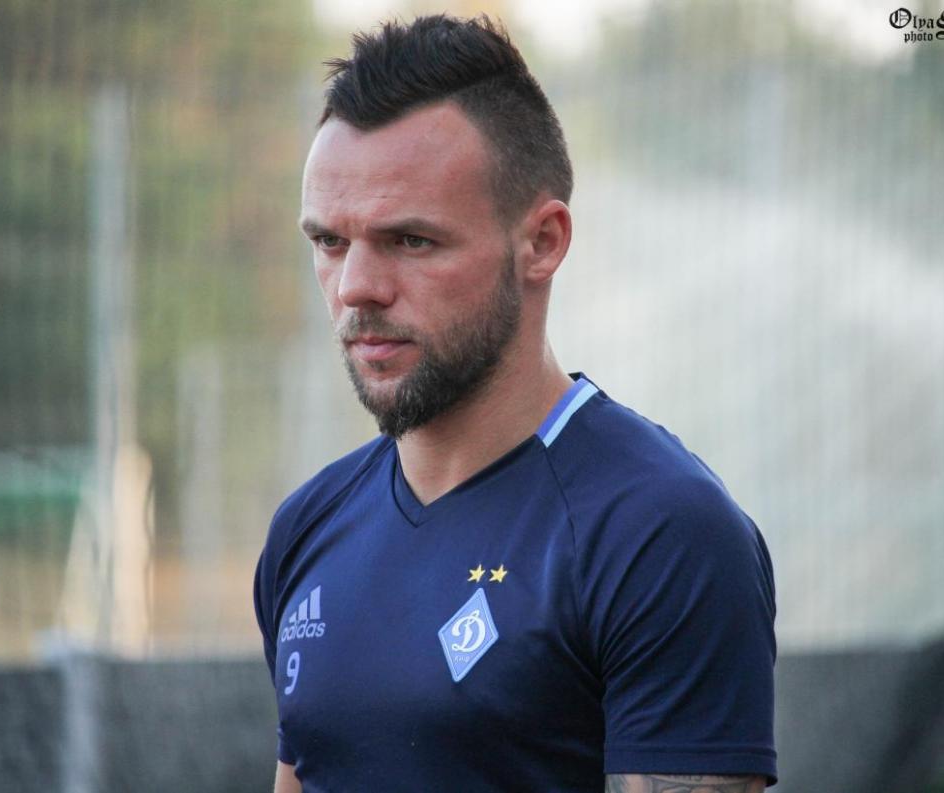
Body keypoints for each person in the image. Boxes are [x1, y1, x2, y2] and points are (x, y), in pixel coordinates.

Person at [253, 14, 777, 793]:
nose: (356, 286)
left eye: (411, 240)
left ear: (542, 242)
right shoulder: (307, 527)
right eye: (330, 242)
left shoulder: (659, 534)